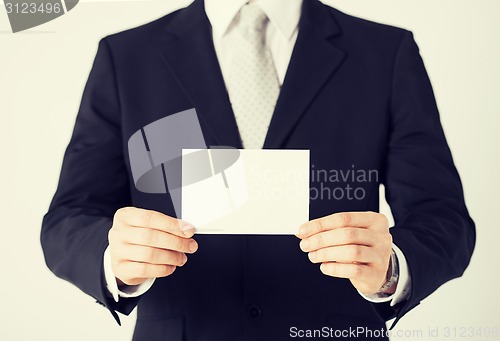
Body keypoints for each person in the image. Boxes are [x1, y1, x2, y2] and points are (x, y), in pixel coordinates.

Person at [41, 0, 475, 340]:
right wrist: (112, 257)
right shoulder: (127, 57)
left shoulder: (385, 53)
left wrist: (391, 268)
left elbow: (443, 218)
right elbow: (69, 216)